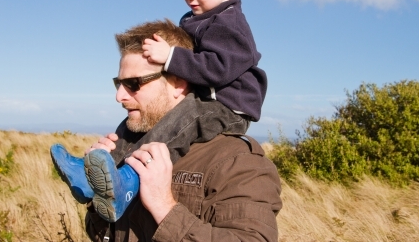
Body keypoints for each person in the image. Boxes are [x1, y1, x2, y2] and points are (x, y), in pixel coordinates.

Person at [51, 0, 267, 223]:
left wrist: (170, 57)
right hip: (206, 97)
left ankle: (129, 181)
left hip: (229, 106)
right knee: (136, 122)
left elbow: (219, 69)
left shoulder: (230, 25)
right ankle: (93, 176)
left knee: (185, 117)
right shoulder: (196, 19)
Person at [84, 19, 282, 241]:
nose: (119, 96)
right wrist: (99, 197)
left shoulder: (236, 162)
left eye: (133, 84)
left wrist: (164, 207)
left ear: (178, 84)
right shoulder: (130, 148)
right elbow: (103, 235)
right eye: (118, 84)